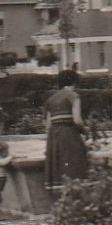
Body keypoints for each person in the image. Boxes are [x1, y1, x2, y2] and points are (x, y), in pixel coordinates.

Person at [43, 70, 89, 199]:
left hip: (53, 136)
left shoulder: (50, 99)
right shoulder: (73, 96)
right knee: (75, 165)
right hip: (68, 133)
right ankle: (75, 199)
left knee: (58, 168)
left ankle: (61, 201)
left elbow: (47, 125)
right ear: (74, 82)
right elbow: (77, 120)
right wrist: (86, 131)